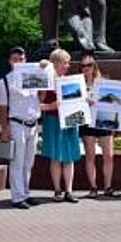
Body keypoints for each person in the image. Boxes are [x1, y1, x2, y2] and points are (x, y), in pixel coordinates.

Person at [0, 47, 45, 209]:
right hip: (17, 123)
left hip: (33, 123)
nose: (18, 61)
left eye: (21, 58)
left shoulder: (32, 77)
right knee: (17, 162)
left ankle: (26, 192)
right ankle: (17, 197)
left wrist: (43, 79)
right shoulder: (5, 81)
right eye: (15, 58)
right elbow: (3, 108)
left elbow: (40, 98)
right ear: (10, 62)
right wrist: (5, 129)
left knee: (29, 162)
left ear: (25, 60)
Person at [40, 48, 81, 202]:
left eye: (68, 63)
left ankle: (69, 190)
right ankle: (57, 189)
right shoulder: (46, 82)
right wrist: (50, 106)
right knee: (56, 156)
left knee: (69, 155)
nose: (68, 66)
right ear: (56, 63)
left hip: (70, 119)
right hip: (53, 120)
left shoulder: (70, 82)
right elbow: (38, 105)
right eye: (65, 62)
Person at [78, 54, 116, 198]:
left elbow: (115, 100)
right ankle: (93, 187)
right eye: (83, 66)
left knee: (108, 156)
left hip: (104, 121)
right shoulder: (78, 84)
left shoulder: (104, 82)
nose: (85, 68)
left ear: (94, 67)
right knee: (90, 156)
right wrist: (84, 100)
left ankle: (108, 186)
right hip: (87, 122)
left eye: (89, 65)